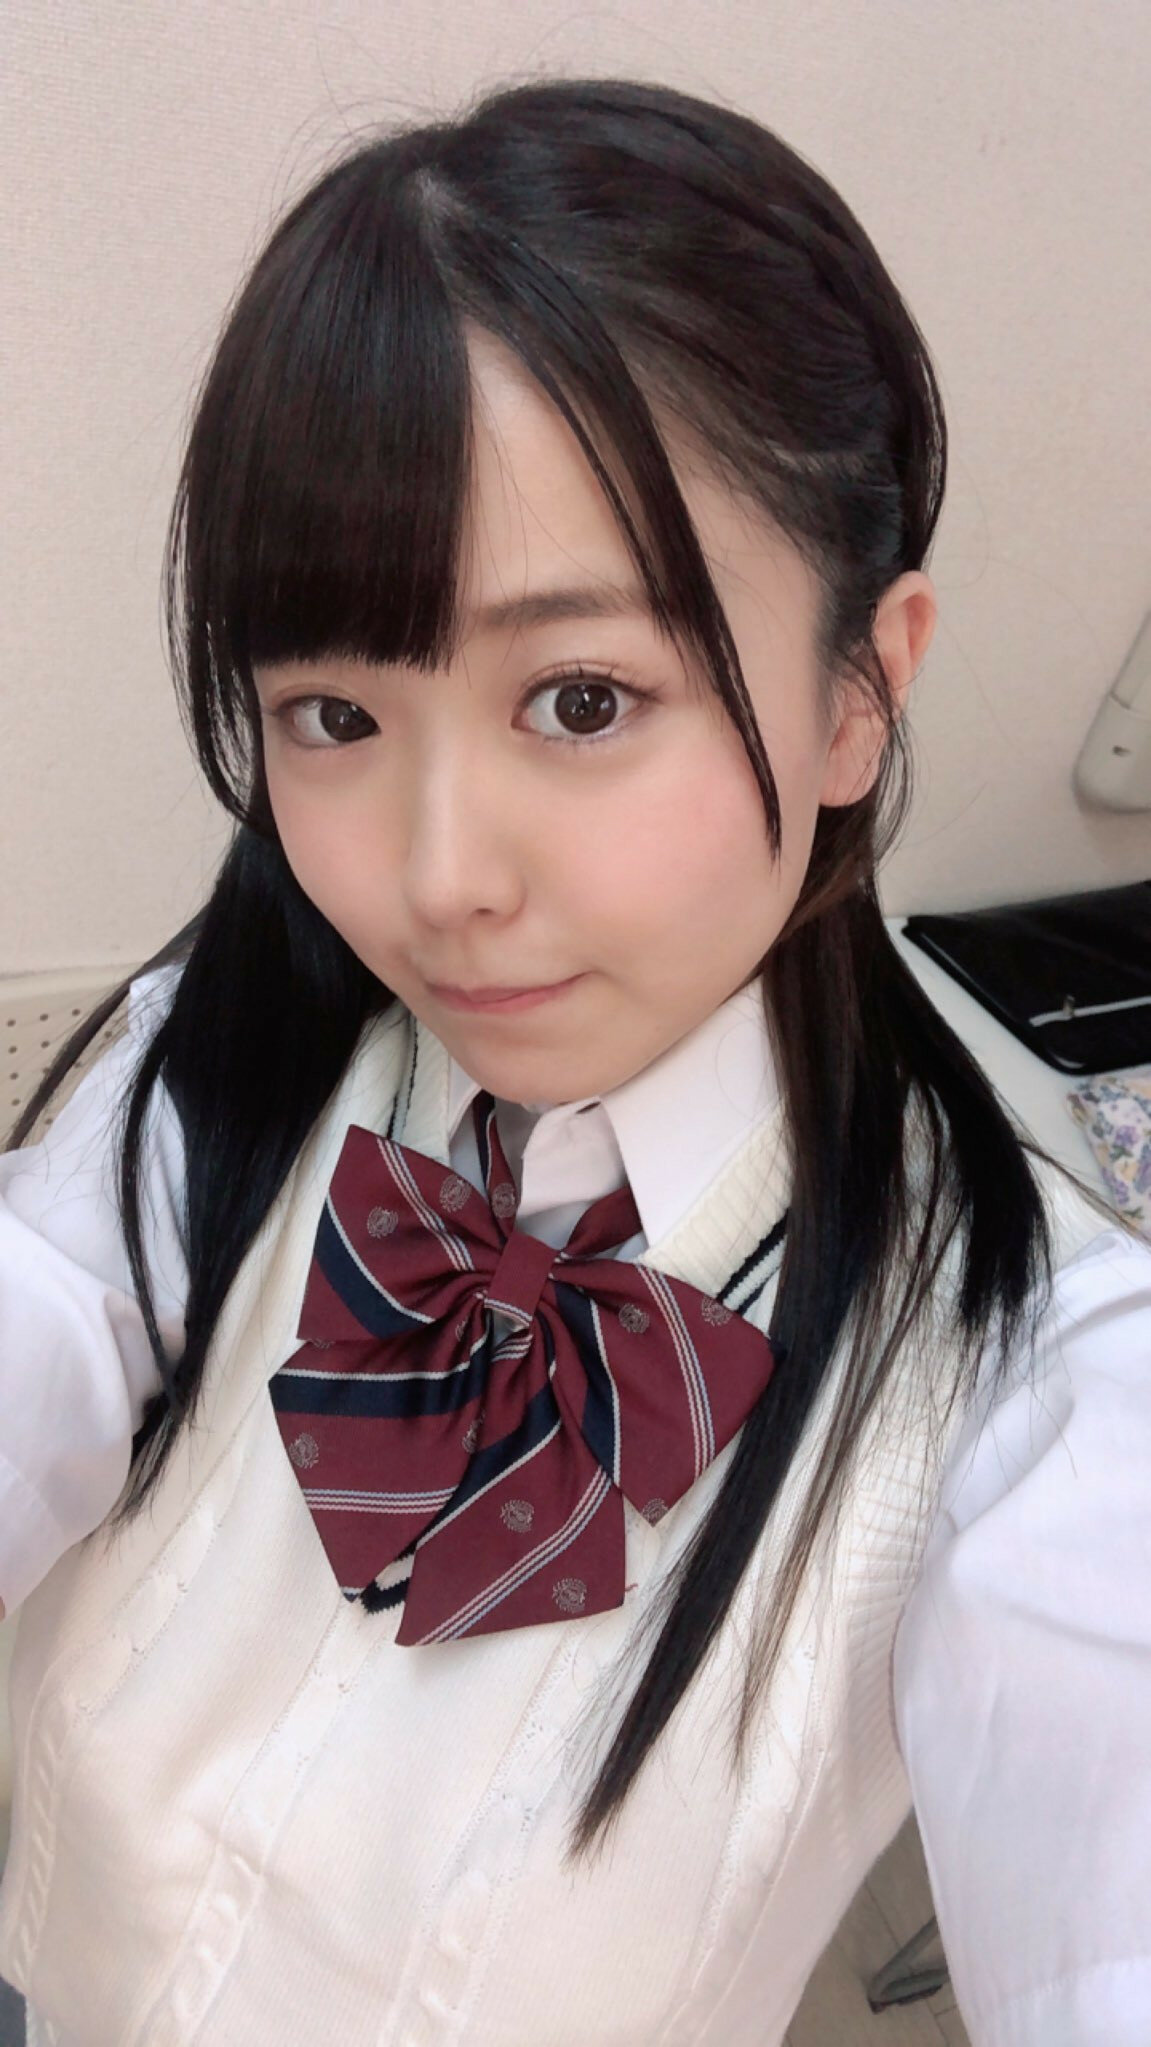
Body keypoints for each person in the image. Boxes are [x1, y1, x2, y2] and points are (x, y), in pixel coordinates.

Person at [1, 73, 1148, 2047]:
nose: (438, 878)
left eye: (584, 698)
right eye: (335, 715)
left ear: (860, 691)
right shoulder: (232, 1048)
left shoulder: (1037, 1375)